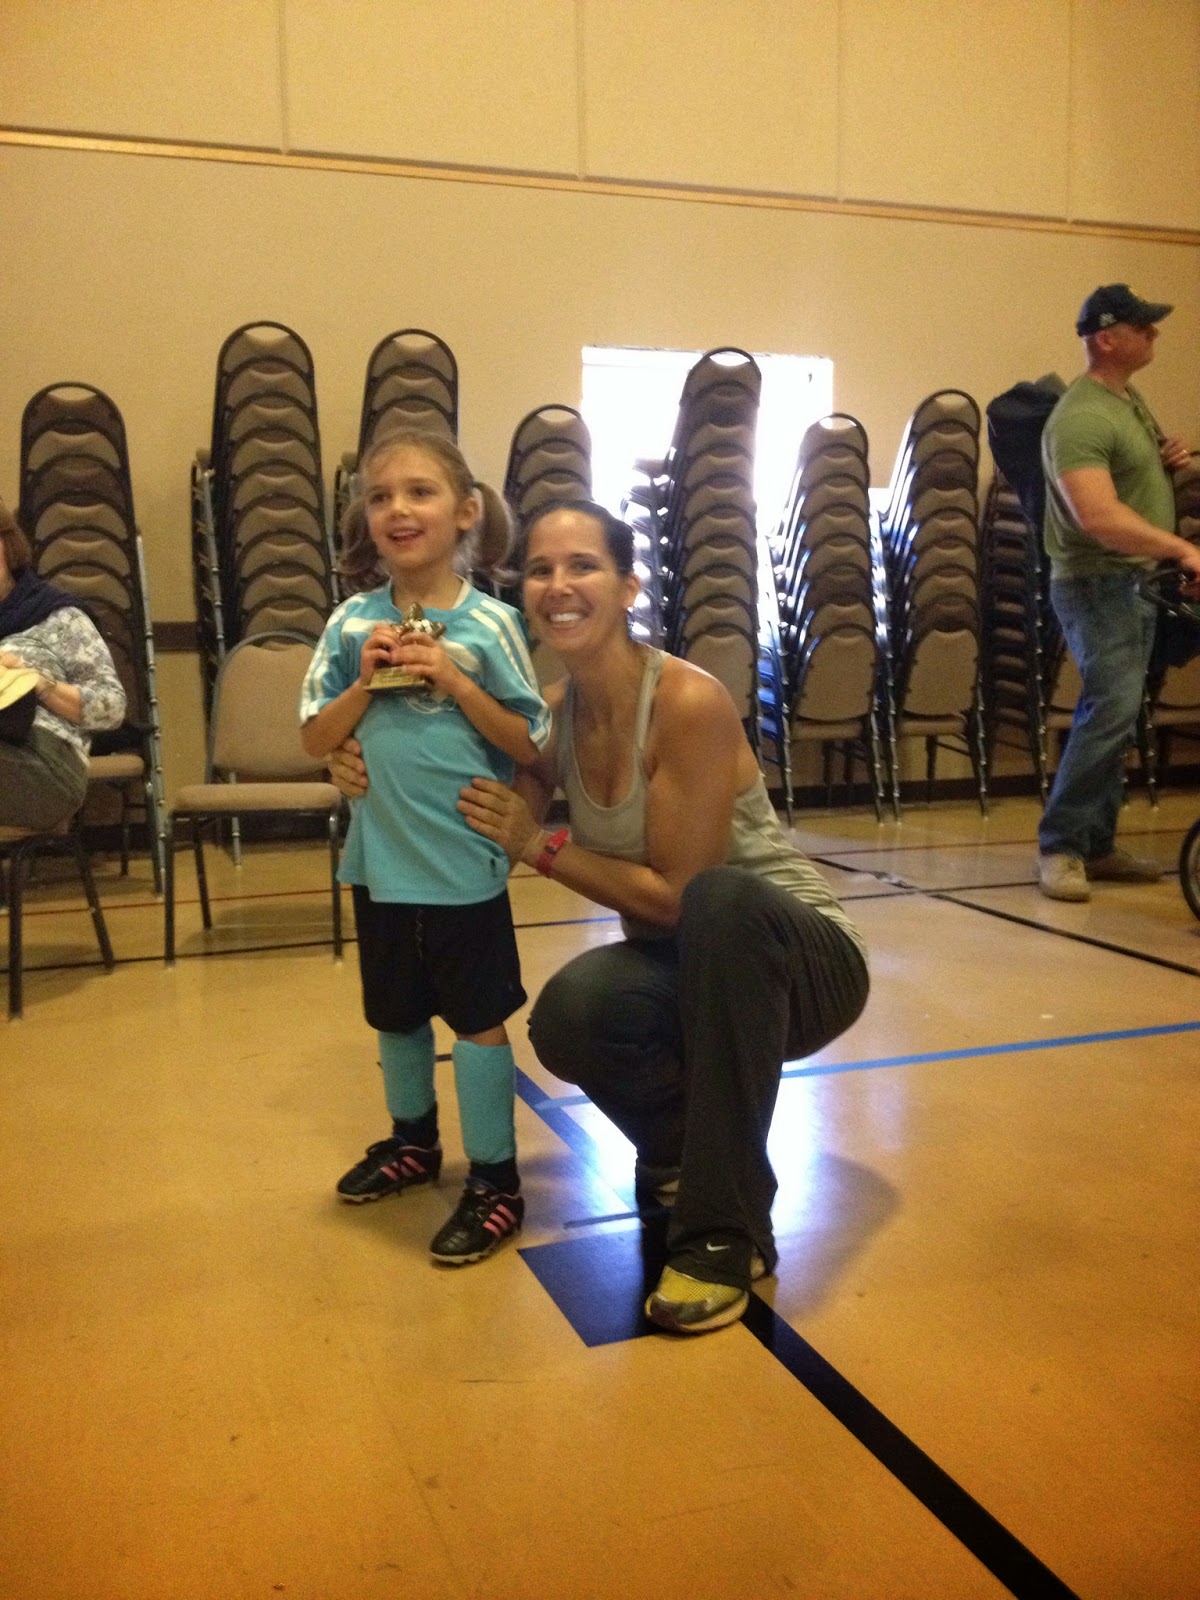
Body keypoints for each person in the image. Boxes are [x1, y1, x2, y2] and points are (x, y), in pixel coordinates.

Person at [331, 500, 869, 1335]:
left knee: (718, 900)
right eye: (541, 570)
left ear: (628, 587)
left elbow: (679, 896)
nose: (558, 585)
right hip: (683, 970)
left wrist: (538, 845)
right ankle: (681, 1152)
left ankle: (725, 1234)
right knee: (570, 1016)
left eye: (582, 565)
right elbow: (467, 795)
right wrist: (359, 759)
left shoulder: (688, 701)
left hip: (798, 962)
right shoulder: (548, 716)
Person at [300, 430, 551, 1266]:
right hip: (378, 863)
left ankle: (496, 1181)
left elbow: (530, 740)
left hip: (460, 867)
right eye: (380, 497)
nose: (398, 510)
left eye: (419, 492)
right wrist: (365, 685)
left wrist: (454, 679)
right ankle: (412, 1142)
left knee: (476, 1022)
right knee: (395, 1013)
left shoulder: (491, 624)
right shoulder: (350, 623)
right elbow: (315, 738)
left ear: (467, 512)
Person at [1036, 283, 1200, 902]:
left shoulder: (1126, 400)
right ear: (1107, 338)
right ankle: (1061, 847)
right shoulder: (1081, 417)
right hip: (1098, 584)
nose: (1154, 334)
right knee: (1109, 710)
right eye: (1142, 326)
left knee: (1121, 714)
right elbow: (1098, 516)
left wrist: (1163, 458)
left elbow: (1125, 481)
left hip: (1131, 583)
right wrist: (1180, 548)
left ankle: (1097, 844)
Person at [0, 503, 125, 829]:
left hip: (46, 762)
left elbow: (112, 706)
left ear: (6, 545)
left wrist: (38, 683)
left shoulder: (58, 616)